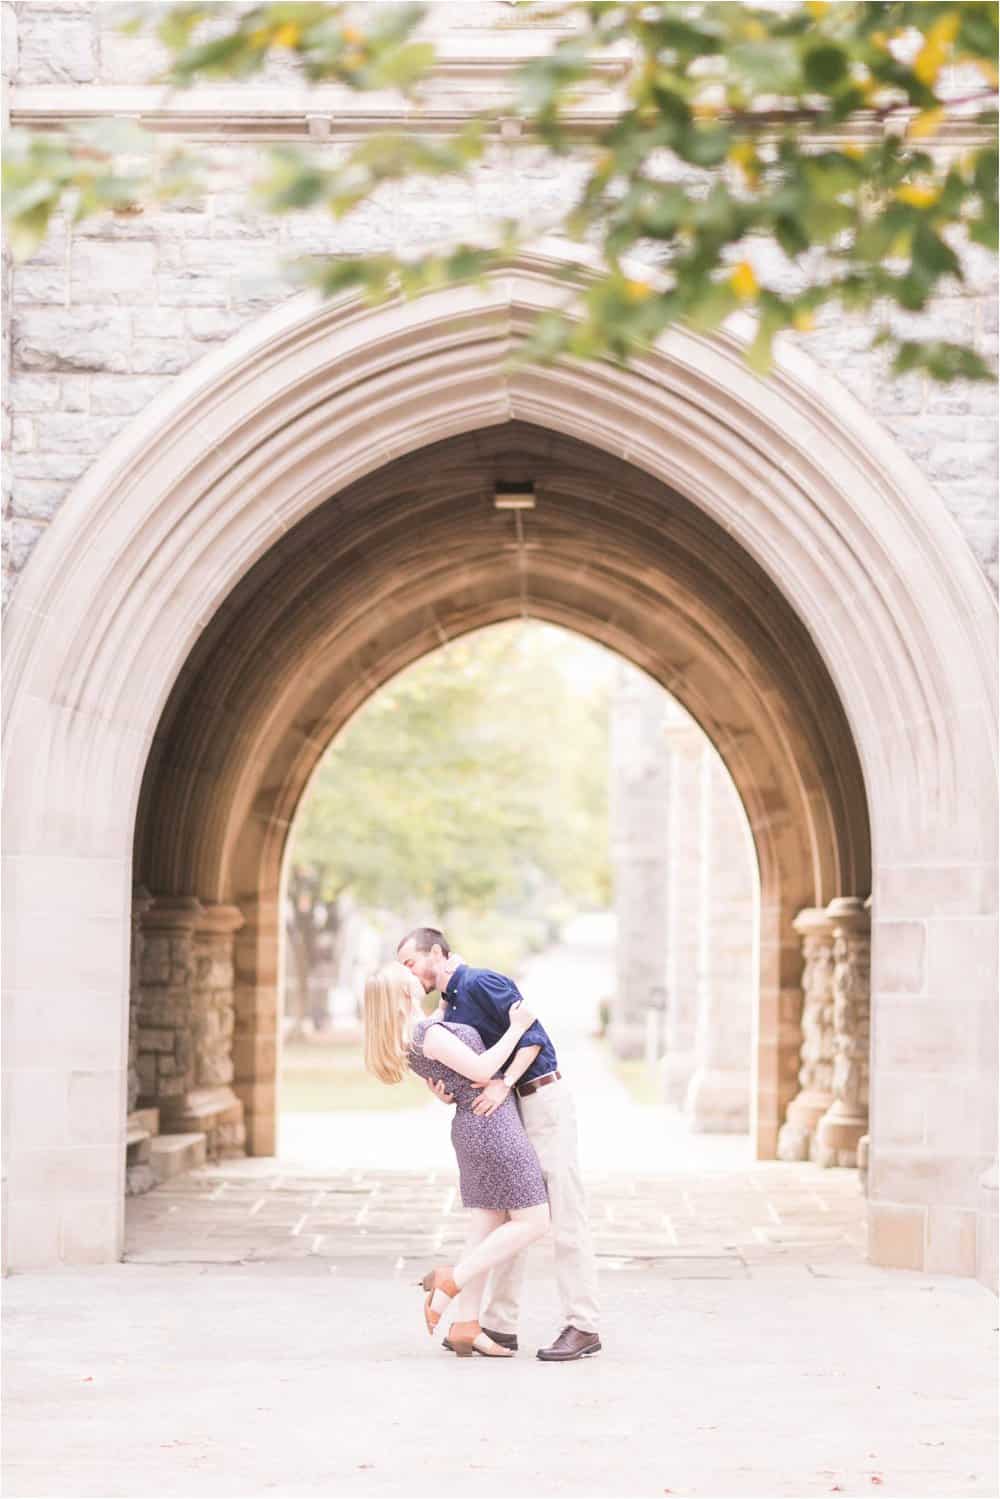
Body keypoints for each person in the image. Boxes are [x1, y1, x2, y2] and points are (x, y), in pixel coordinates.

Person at [397, 926, 601, 1363]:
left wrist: (502, 1082)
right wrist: (442, 1088)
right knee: (515, 1212)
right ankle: (500, 1325)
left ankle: (583, 1325)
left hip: (540, 1099)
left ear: (436, 952)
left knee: (563, 1214)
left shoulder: (482, 982)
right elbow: (455, 1061)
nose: (410, 974)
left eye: (410, 963)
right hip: (506, 1112)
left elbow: (532, 1036)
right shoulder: (447, 1006)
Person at [362, 960, 550, 1357]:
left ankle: (466, 1325)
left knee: (486, 1223)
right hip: (492, 1125)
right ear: (400, 998)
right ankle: (451, 1279)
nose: (414, 976)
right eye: (405, 977)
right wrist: (516, 1028)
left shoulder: (416, 1033)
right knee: (534, 1221)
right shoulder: (426, 1034)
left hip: (473, 1125)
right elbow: (483, 1068)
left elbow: (446, 1034)